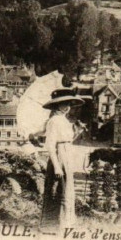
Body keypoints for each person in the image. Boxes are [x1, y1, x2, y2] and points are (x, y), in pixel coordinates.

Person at [40, 88, 84, 232]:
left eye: (69, 104)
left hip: (67, 154)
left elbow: (68, 140)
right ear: (56, 105)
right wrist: (57, 166)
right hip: (59, 156)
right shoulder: (53, 121)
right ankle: (54, 224)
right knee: (59, 189)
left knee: (67, 189)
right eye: (63, 104)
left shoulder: (64, 120)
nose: (67, 107)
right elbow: (50, 145)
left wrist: (78, 132)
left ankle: (66, 222)